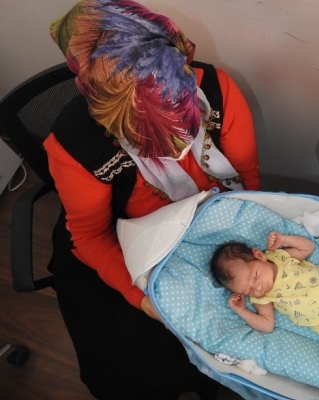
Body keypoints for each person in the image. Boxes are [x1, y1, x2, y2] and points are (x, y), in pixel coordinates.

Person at [45, 0, 259, 399]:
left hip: (208, 219)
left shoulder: (217, 90)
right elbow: (90, 236)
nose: (178, 152)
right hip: (118, 241)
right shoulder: (75, 143)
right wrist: (143, 300)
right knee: (131, 371)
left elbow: (247, 178)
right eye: (156, 144)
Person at [210, 231, 319, 365]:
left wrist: (284, 240)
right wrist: (241, 310)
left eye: (255, 277)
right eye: (249, 291)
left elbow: (308, 247)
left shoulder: (279, 257)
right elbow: (267, 325)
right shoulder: (262, 298)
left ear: (259, 256)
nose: (258, 287)